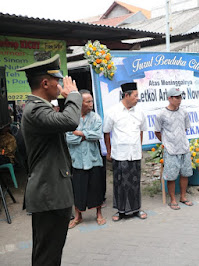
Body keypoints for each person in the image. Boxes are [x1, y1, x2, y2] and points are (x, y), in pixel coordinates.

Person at [17, 54, 82, 266]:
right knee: (47, 257)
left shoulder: (39, 108)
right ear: (45, 83)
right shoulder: (35, 109)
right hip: (49, 194)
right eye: (57, 80)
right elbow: (70, 120)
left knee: (49, 254)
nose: (61, 85)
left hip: (51, 192)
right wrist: (73, 95)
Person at [103, 82, 148, 221]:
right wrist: (109, 152)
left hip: (134, 154)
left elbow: (141, 131)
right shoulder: (112, 112)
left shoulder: (140, 112)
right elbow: (106, 132)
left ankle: (136, 209)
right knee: (120, 183)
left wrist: (139, 148)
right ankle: (120, 211)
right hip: (119, 154)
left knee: (135, 183)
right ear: (126, 95)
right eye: (135, 96)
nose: (137, 98)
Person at [66, 90, 106, 229]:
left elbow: (97, 135)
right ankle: (78, 216)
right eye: (88, 101)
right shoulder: (71, 119)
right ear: (80, 103)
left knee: (96, 187)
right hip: (78, 161)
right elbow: (69, 138)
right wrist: (87, 136)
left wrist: (80, 133)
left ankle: (99, 214)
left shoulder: (95, 117)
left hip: (94, 159)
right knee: (78, 189)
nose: (91, 104)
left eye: (91, 101)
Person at [154, 87, 193, 210]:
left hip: (184, 148)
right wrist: (166, 142)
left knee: (185, 174)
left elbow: (185, 128)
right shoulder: (161, 115)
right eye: (176, 97)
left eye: (180, 97)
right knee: (171, 176)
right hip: (170, 150)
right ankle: (173, 199)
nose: (179, 100)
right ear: (169, 98)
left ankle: (183, 196)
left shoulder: (184, 112)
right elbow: (157, 131)